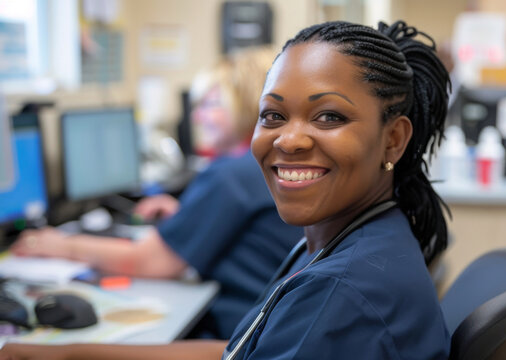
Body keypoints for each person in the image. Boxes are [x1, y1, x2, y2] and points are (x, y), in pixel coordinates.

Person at [0, 19, 451, 359]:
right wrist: (61, 353)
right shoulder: (340, 241)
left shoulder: (341, 294)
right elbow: (240, 350)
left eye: (329, 116)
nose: (288, 139)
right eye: (273, 115)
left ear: (393, 138)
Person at [8, 47, 304, 340]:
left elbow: (148, 262)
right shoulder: (258, 167)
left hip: (244, 336)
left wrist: (62, 244)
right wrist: (186, 216)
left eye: (210, 104)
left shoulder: (231, 175)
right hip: (279, 327)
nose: (198, 117)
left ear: (246, 104)